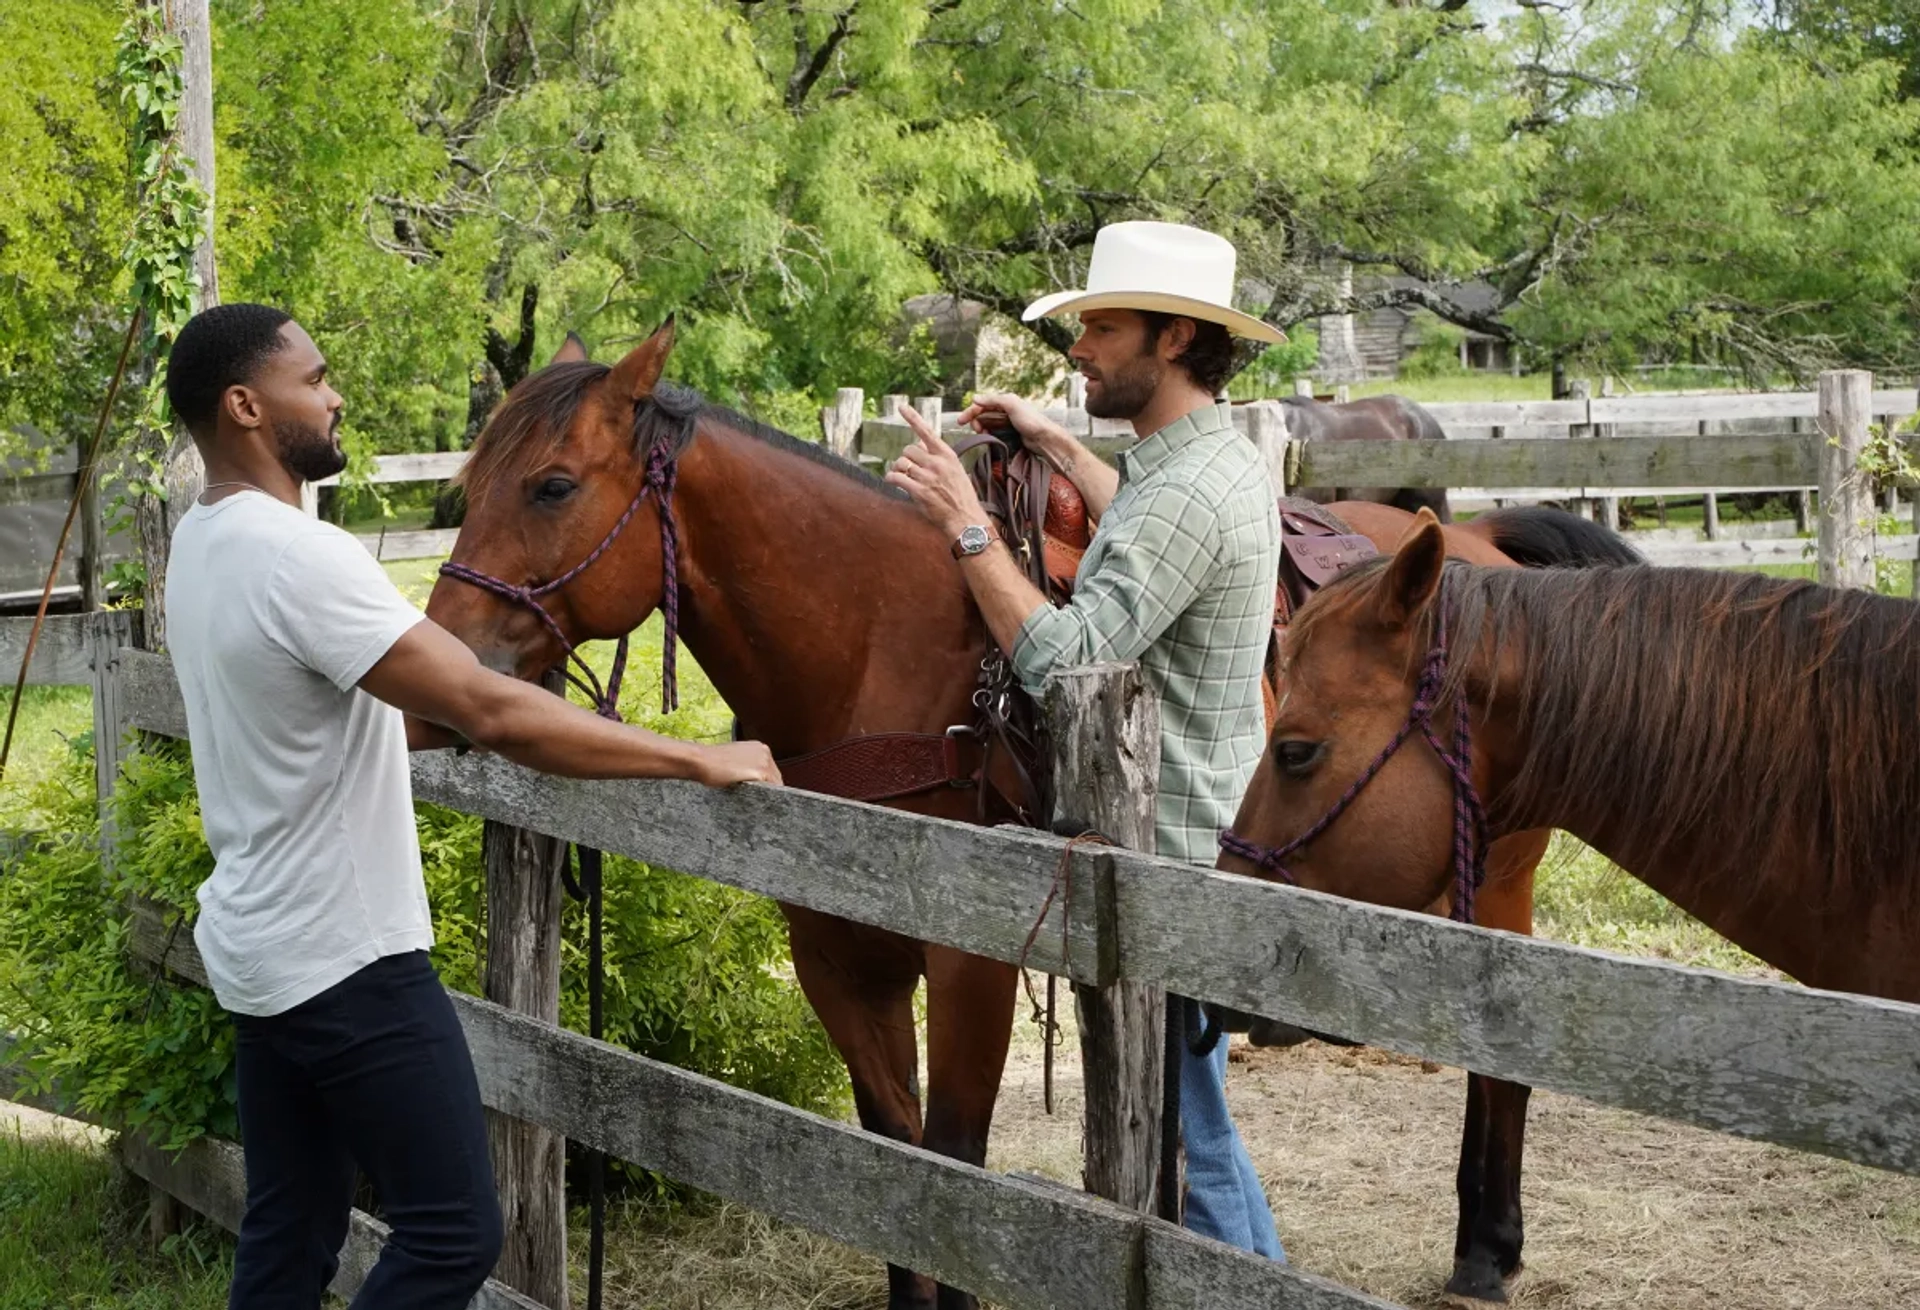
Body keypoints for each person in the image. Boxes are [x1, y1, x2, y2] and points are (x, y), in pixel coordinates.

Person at [160, 302, 781, 1310]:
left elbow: (346, 706)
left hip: (259, 945)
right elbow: (489, 704)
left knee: (294, 1222)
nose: (335, 392)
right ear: (243, 405)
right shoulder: (299, 558)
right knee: (453, 1229)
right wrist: (695, 756)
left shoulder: (204, 542)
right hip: (346, 956)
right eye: (312, 378)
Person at [885, 221, 1286, 1259]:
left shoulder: (1187, 492)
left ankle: (1253, 1285)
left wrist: (969, 525)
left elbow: (1071, 665)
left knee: (1187, 1142)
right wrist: (1059, 443)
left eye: (1104, 325)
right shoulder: (1201, 466)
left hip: (1170, 853)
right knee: (1190, 1129)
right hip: (1198, 839)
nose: (1081, 345)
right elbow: (1143, 521)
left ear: (1174, 338)